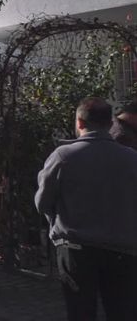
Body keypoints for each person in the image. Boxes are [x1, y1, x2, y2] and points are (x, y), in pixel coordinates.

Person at [35, 97, 137, 321]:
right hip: (122, 249)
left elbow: (42, 201)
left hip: (76, 249)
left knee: (80, 311)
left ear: (80, 123)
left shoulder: (64, 157)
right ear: (110, 124)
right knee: (122, 311)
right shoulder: (131, 159)